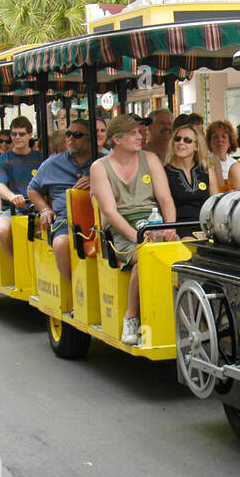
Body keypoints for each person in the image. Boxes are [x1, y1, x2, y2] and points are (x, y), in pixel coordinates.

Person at [89, 114, 178, 345]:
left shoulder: (150, 158)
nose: (141, 136)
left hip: (153, 220)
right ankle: (131, 316)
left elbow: (165, 199)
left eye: (141, 132)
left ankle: (176, 311)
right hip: (121, 228)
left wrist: (169, 227)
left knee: (180, 253)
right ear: (117, 139)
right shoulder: (100, 167)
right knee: (144, 256)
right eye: (135, 133)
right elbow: (109, 212)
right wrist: (137, 237)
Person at [27, 119, 93, 285]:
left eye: (77, 135)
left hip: (100, 216)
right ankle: (75, 289)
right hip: (66, 219)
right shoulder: (52, 163)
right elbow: (32, 189)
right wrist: (44, 209)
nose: (70, 138)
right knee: (61, 243)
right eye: (68, 134)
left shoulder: (102, 160)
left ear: (90, 138)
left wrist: (95, 180)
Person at [0, 116, 45, 262]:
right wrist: (12, 197)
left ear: (30, 135)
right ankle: (17, 262)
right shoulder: (3, 160)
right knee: (2, 230)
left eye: (21, 134)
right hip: (13, 209)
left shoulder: (40, 158)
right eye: (14, 134)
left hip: (39, 208)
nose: (17, 137)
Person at [163, 122, 218, 225]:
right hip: (178, 228)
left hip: (205, 228)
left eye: (187, 140)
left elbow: (215, 206)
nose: (181, 143)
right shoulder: (163, 173)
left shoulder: (207, 172)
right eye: (177, 139)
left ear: (196, 146)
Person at [206, 119, 240, 191]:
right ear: (209, 141)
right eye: (215, 137)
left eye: (224, 137)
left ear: (230, 141)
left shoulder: (234, 162)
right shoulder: (203, 163)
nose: (220, 140)